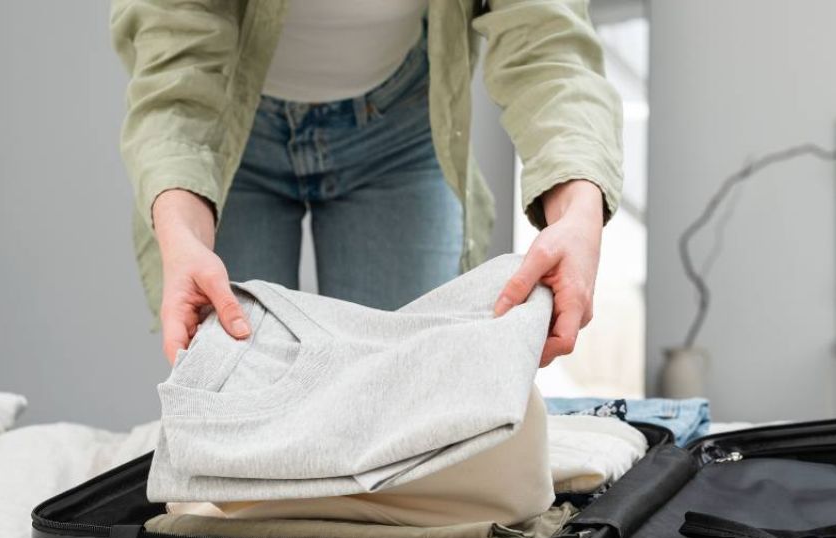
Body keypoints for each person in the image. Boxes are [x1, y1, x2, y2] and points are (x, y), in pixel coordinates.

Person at [111, 0, 623, 367]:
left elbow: (548, 41)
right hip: (228, 137)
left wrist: (579, 211)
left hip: (400, 131)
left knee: (401, 405)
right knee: (239, 405)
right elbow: (174, 58)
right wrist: (182, 236)